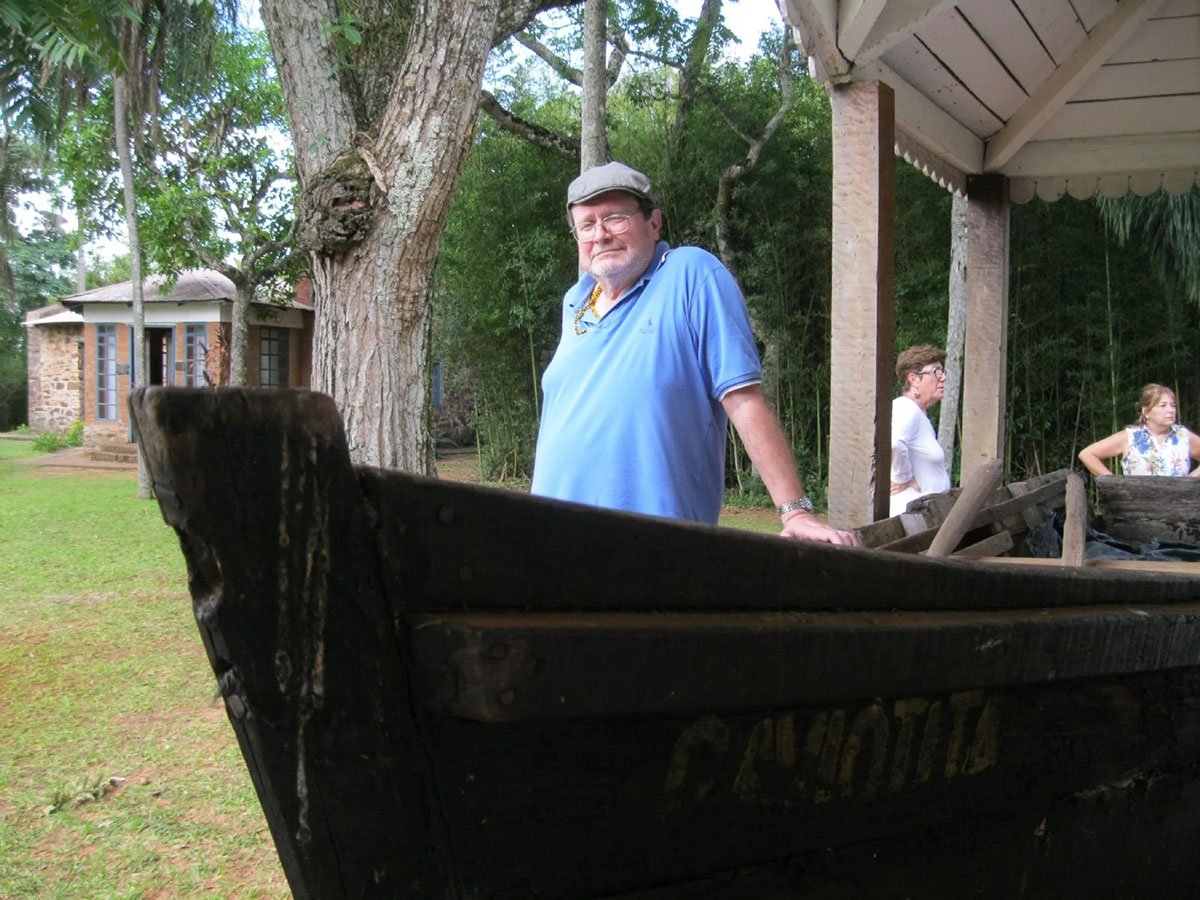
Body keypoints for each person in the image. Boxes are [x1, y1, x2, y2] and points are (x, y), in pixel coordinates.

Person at [529, 161, 856, 545]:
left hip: (651, 547)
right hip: (550, 539)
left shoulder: (689, 273)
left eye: (615, 219)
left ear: (653, 223)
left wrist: (796, 510)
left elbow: (744, 399)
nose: (599, 235)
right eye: (586, 225)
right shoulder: (577, 301)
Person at [1078, 383, 1200, 477]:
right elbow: (1087, 454)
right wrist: (1113, 482)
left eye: (1173, 405)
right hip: (1136, 504)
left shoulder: (1182, 435)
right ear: (1146, 411)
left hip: (1179, 504)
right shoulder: (1130, 436)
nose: (1170, 410)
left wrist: (1191, 480)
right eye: (1163, 406)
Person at [890, 345, 952, 517]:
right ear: (914, 379)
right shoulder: (905, 407)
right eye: (936, 372)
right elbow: (895, 443)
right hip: (912, 520)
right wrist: (903, 479)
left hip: (926, 520)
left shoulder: (918, 414)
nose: (943, 377)